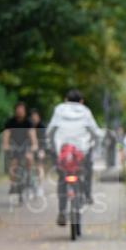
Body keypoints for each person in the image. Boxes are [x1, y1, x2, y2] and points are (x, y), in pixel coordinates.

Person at [47, 89, 102, 225]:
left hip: (63, 151)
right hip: (80, 152)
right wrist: (94, 146)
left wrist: (51, 147)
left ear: (66, 100)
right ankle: (87, 195)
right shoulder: (86, 111)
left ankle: (62, 211)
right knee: (86, 169)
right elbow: (96, 132)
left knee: (62, 179)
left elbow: (50, 130)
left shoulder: (59, 109)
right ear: (81, 101)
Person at [1, 102, 37, 197]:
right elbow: (6, 135)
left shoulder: (28, 122)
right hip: (14, 146)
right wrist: (5, 145)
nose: (20, 112)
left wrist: (34, 145)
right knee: (13, 164)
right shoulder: (10, 122)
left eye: (22, 110)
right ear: (15, 111)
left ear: (24, 111)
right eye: (18, 109)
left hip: (26, 146)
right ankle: (13, 184)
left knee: (29, 159)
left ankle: (30, 178)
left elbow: (32, 135)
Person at [29, 108, 48, 194]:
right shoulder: (29, 126)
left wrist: (42, 151)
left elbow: (44, 141)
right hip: (30, 149)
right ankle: (30, 184)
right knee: (29, 164)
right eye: (32, 117)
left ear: (38, 117)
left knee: (39, 166)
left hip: (40, 148)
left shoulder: (42, 126)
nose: (34, 119)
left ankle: (40, 186)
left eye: (35, 117)